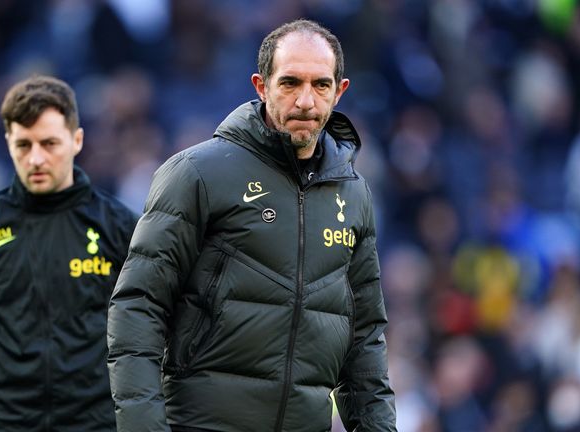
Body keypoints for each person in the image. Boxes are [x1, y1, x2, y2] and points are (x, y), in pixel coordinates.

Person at [107, 19, 396, 431]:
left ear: (340, 91)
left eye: (320, 85)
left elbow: (364, 336)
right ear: (261, 86)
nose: (306, 102)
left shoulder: (354, 195)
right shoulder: (197, 173)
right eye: (290, 83)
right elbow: (138, 306)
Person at [0, 75, 138, 431]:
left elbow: (157, 335)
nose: (36, 158)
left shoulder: (123, 229)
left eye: (49, 143)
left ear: (76, 141)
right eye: (23, 145)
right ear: (8, 142)